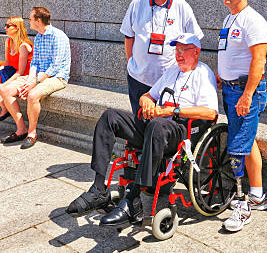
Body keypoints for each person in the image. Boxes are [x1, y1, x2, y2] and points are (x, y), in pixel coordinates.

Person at [66, 33, 218, 228]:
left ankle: (134, 199)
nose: (178, 54)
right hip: (155, 125)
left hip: (179, 132)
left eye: (183, 50)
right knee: (110, 117)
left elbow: (210, 112)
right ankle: (98, 189)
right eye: (176, 50)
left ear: (196, 51)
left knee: (157, 125)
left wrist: (174, 110)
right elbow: (149, 94)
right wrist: (146, 101)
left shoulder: (202, 74)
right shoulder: (172, 71)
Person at [214, 0, 267, 232]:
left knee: (238, 146)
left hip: (245, 90)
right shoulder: (229, 18)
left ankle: (242, 203)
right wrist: (221, 75)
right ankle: (258, 195)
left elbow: (258, 62)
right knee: (247, 141)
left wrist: (247, 95)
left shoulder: (254, 21)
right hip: (230, 89)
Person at [121, 0, 203, 116]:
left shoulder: (182, 6)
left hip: (168, 80)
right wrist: (132, 61)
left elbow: (195, 41)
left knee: (161, 127)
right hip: (138, 78)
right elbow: (128, 35)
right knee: (139, 125)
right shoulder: (138, 2)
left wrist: (187, 73)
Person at [0, 7, 71, 149]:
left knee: (32, 95)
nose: (29, 21)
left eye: (31, 19)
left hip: (56, 77)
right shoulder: (39, 37)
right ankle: (21, 129)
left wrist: (36, 82)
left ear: (38, 20)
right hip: (38, 75)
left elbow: (56, 66)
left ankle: (32, 134)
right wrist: (31, 79)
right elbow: (35, 62)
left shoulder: (58, 36)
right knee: (5, 90)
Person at [0, 17, 33, 121]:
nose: (5, 28)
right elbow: (7, 63)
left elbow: (21, 72)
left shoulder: (23, 46)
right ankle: (3, 106)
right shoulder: (8, 41)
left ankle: (4, 109)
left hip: (23, 75)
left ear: (17, 28)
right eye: (6, 25)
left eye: (8, 26)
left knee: (2, 86)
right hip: (11, 71)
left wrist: (5, 84)